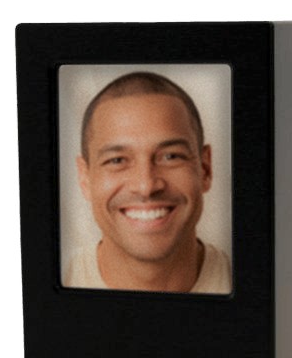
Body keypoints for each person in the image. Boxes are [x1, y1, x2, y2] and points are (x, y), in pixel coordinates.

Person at [64, 72, 231, 294]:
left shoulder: (261, 284)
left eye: (171, 156)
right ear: (85, 178)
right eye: (117, 160)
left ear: (205, 168)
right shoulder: (50, 282)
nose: (146, 186)